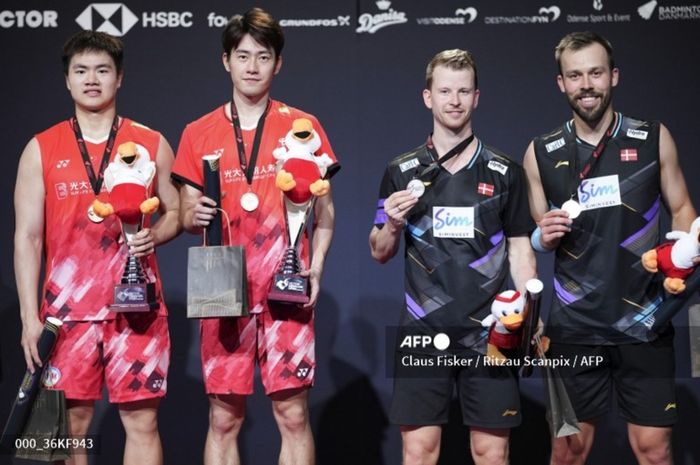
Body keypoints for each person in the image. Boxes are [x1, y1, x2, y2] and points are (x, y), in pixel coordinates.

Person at [172, 8, 339, 465]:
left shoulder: (303, 127)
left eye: (262, 57)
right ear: (226, 61)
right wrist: (193, 213)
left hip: (286, 288)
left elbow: (324, 214)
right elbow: (185, 212)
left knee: (292, 415)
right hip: (223, 290)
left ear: (277, 63)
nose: (251, 67)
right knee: (223, 418)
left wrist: (316, 268)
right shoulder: (197, 133)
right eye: (242, 56)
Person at [523, 31, 698, 465]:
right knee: (568, 453)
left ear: (614, 76)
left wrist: (679, 261)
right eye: (575, 75)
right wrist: (540, 237)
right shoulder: (540, 153)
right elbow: (532, 239)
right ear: (560, 83)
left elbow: (682, 211)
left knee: (654, 452)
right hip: (575, 327)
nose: (587, 84)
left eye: (596, 73)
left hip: (645, 321)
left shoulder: (653, 138)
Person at [14, 30, 180, 465]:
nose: (92, 79)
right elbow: (27, 237)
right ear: (67, 81)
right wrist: (30, 318)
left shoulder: (151, 142)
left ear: (119, 78)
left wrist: (156, 234)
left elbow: (176, 212)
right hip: (65, 316)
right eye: (81, 71)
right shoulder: (40, 148)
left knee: (142, 422)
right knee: (71, 426)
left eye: (103, 70)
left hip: (137, 307)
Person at [369, 49, 537, 465]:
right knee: (419, 452)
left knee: (490, 453)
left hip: (490, 335)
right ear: (428, 97)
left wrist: (529, 315)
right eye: (445, 91)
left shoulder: (504, 170)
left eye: (463, 91)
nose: (454, 101)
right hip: (423, 331)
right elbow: (379, 251)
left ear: (477, 97)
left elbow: (519, 247)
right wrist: (391, 223)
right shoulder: (401, 170)